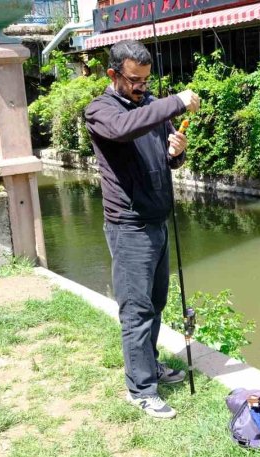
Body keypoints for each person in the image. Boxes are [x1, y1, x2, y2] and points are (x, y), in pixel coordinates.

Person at [84, 40, 201, 419]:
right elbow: (124, 129)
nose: (142, 86)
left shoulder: (150, 106)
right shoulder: (101, 111)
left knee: (156, 303)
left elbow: (166, 155)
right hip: (128, 226)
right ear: (113, 74)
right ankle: (141, 389)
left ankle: (148, 367)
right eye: (135, 80)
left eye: (147, 80)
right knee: (135, 310)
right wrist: (177, 100)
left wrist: (176, 150)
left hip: (157, 220)